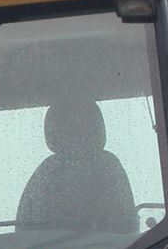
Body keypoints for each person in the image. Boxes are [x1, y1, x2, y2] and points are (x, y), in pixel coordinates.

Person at [16, 95, 136, 235]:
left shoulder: (107, 164)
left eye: (82, 126)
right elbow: (25, 228)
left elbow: (125, 222)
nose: (75, 132)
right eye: (66, 127)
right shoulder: (48, 169)